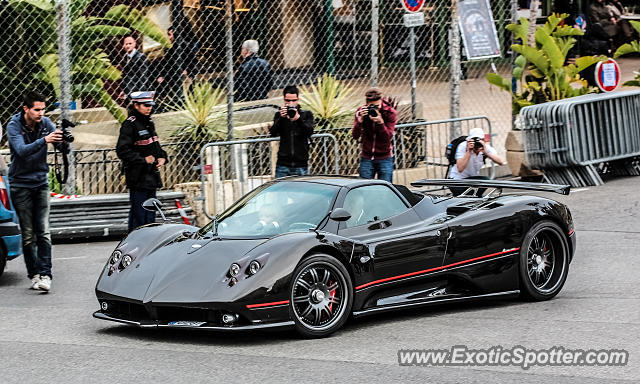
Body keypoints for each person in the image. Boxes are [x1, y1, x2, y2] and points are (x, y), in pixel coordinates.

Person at [6, 91, 68, 291]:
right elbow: (21, 151)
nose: (41, 113)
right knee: (28, 233)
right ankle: (33, 274)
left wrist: (63, 141)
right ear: (26, 109)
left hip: (40, 182)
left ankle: (45, 274)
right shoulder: (14, 126)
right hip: (20, 184)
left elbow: (61, 147)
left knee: (44, 231)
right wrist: (45, 140)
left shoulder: (46, 124)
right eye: (37, 109)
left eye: (43, 109)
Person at [116, 91, 168, 232]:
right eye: (145, 105)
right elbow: (122, 150)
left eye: (150, 105)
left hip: (151, 177)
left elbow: (156, 147)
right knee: (139, 215)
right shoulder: (129, 125)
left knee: (150, 213)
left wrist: (163, 157)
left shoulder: (149, 123)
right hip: (138, 177)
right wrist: (143, 160)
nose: (149, 108)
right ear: (136, 105)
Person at [352, 87, 397, 182]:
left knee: (386, 190)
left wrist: (380, 123)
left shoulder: (389, 112)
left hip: (384, 157)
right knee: (364, 189)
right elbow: (355, 136)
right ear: (367, 104)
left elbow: (388, 137)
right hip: (367, 157)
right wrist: (359, 122)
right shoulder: (361, 112)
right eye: (372, 107)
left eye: (377, 106)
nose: (375, 109)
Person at [269, 85, 314, 178]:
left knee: (302, 192)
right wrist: (281, 118)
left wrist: (298, 119)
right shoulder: (279, 115)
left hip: (301, 164)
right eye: (288, 101)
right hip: (283, 164)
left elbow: (309, 131)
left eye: (294, 100)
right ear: (284, 100)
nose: (291, 103)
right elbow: (273, 133)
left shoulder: (306, 114)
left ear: (298, 99)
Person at [448, 128, 505, 196]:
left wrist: (486, 152)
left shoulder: (484, 147)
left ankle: (476, 197)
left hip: (471, 181)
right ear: (469, 140)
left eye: (479, 140)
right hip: (457, 181)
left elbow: (500, 162)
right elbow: (460, 168)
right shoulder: (463, 146)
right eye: (474, 140)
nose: (476, 144)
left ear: (483, 140)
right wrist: (469, 151)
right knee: (473, 194)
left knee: (486, 182)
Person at [120, 36, 150, 104]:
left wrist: (141, 91)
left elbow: (143, 75)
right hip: (128, 89)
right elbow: (124, 75)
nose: (128, 46)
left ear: (134, 44)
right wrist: (123, 90)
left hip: (137, 88)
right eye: (126, 44)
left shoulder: (140, 57)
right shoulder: (125, 57)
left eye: (130, 43)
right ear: (123, 45)